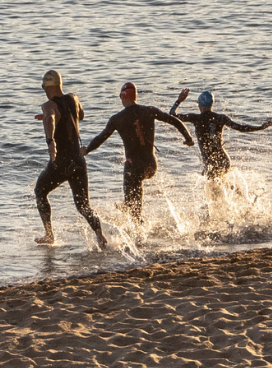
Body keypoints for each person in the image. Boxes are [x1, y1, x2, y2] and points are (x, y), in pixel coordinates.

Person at [86, 82, 195, 220]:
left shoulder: (117, 119)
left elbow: (100, 139)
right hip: (151, 165)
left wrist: (86, 150)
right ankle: (135, 215)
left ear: (123, 96)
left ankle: (132, 214)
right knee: (136, 189)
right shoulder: (149, 110)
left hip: (134, 166)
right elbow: (173, 120)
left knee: (131, 172)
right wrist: (188, 137)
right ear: (136, 96)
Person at [167, 88, 272, 211]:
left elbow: (172, 116)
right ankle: (243, 199)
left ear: (200, 105)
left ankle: (225, 213)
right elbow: (240, 127)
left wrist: (179, 101)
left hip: (211, 163)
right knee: (218, 183)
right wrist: (260, 127)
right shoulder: (220, 118)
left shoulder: (196, 118)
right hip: (224, 160)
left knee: (213, 193)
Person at [34, 71, 108, 247]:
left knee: (40, 191)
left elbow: (51, 119)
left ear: (48, 87)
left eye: (44, 87)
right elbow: (80, 115)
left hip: (61, 162)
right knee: (83, 206)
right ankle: (100, 236)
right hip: (78, 160)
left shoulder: (48, 106)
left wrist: (50, 140)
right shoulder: (73, 98)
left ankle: (49, 235)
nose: (44, 90)